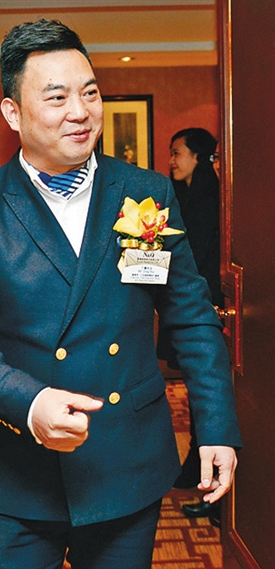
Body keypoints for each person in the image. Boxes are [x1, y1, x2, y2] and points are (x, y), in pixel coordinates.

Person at [0, 19, 241, 569]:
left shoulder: (146, 193)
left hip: (127, 460)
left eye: (90, 92)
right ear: (13, 113)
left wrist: (215, 427)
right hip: (22, 473)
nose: (80, 111)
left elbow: (192, 317)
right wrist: (29, 403)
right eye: (57, 97)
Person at [157, 128, 224, 523]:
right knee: (197, 396)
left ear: (198, 157)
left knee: (208, 395)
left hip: (205, 309)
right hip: (186, 306)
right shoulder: (181, 196)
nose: (172, 161)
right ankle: (196, 471)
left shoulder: (212, 200)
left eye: (177, 153)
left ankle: (212, 487)